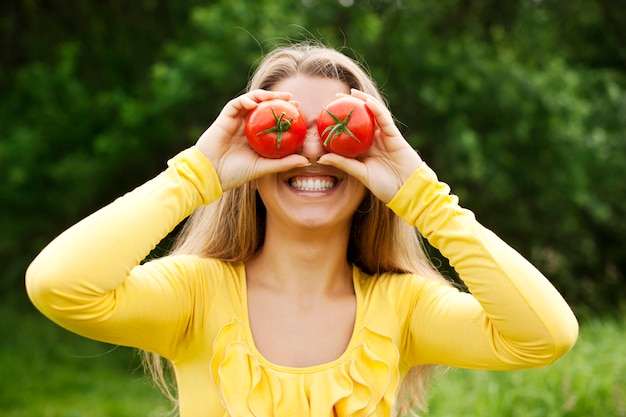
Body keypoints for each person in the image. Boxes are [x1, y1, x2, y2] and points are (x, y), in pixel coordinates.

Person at [26, 42, 578, 417]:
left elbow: (544, 336)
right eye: (285, 130)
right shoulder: (196, 295)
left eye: (341, 133)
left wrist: (421, 194)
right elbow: (59, 285)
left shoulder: (403, 308)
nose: (314, 151)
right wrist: (199, 172)